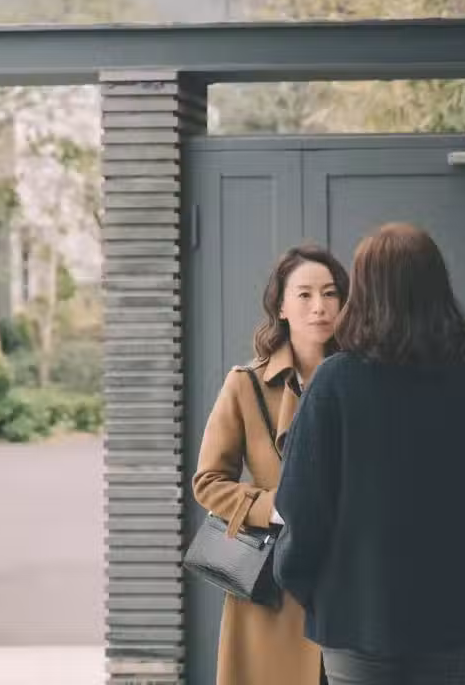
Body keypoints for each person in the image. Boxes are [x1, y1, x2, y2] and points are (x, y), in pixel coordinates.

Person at [272, 222, 465, 685]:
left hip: (352, 619)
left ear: (364, 293)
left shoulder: (334, 382)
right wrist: (464, 574)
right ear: (437, 291)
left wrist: (313, 589)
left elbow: (301, 509)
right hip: (449, 616)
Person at [192, 244, 351, 685]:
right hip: (273, 592)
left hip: (350, 582)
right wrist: (278, 506)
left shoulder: (365, 380)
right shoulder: (245, 384)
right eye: (304, 294)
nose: (319, 306)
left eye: (330, 293)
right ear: (280, 306)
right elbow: (208, 482)